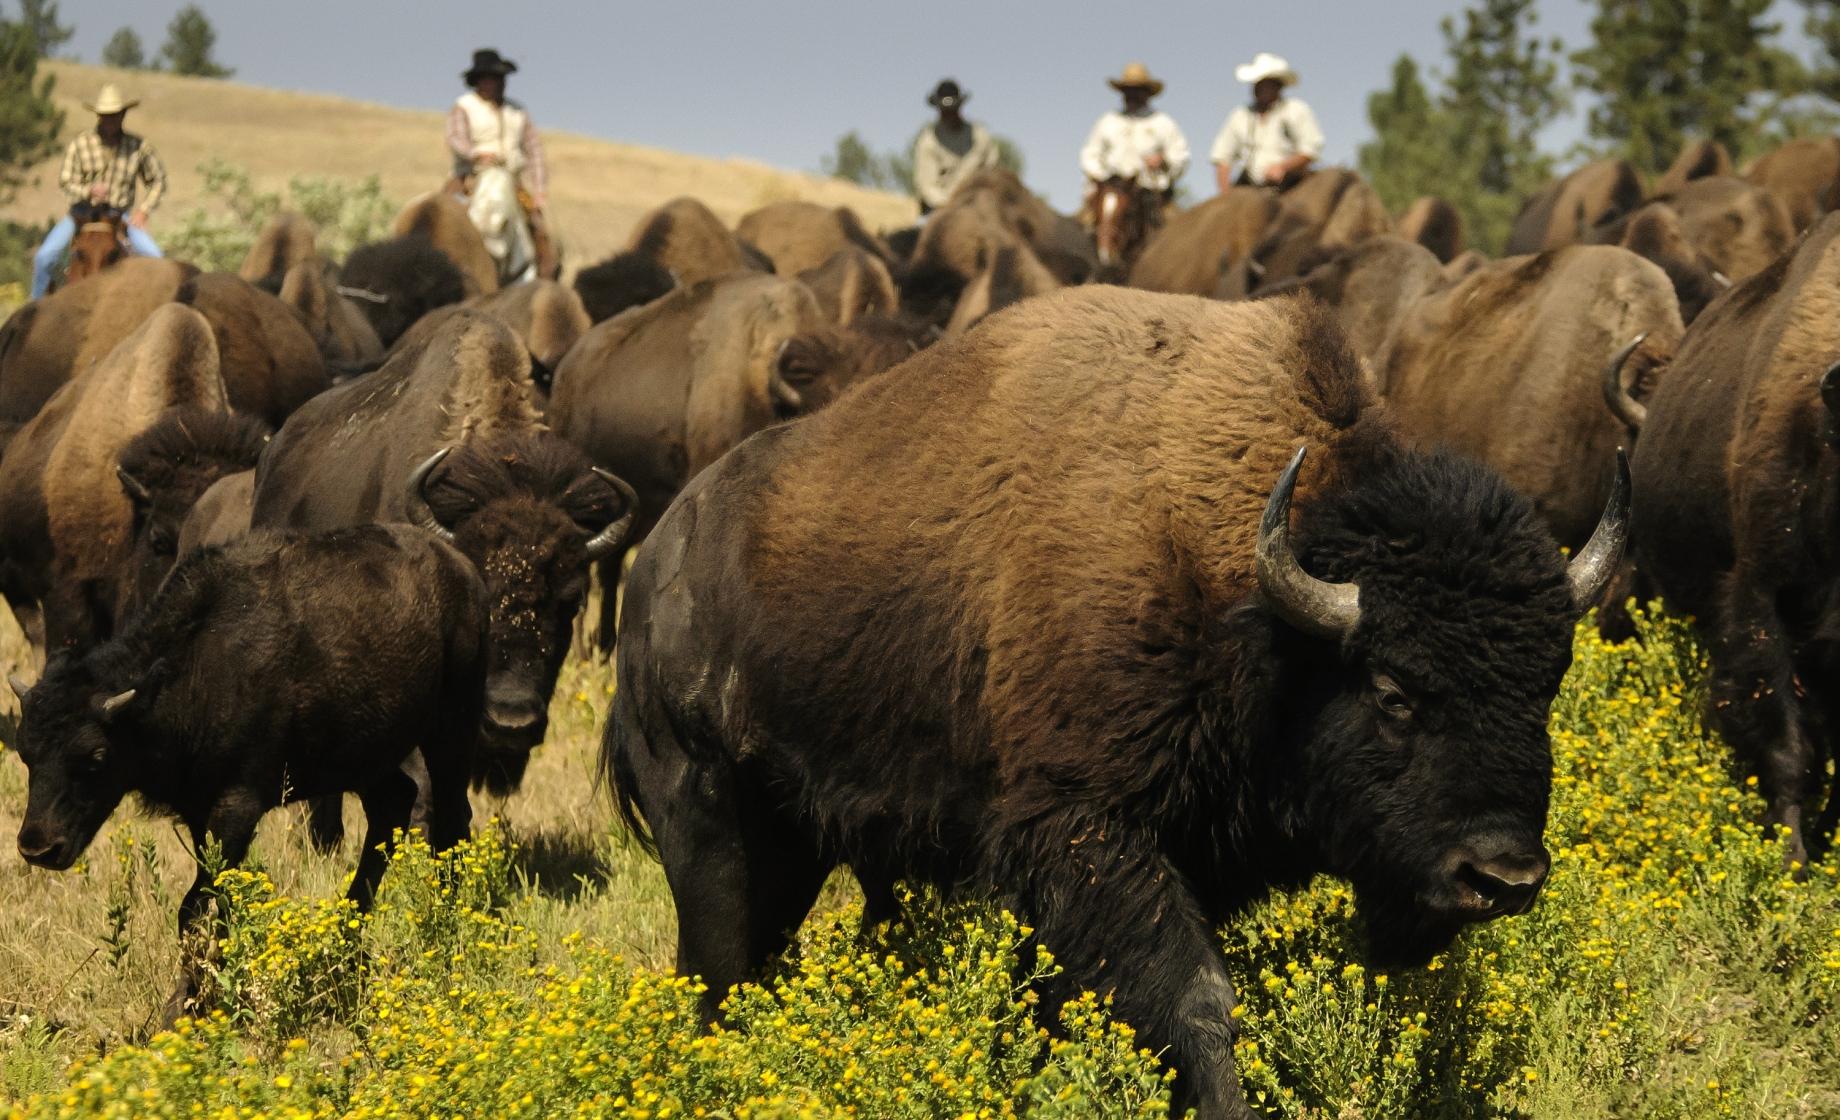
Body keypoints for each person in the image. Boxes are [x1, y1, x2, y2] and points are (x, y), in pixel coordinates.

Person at [32, 83, 166, 298]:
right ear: (98, 116)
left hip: (118, 216)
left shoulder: (138, 146)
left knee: (156, 257)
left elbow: (157, 180)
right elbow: (66, 181)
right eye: (105, 115)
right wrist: (88, 191)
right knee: (45, 257)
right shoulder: (81, 144)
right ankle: (34, 314)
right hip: (81, 215)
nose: (110, 120)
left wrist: (144, 210)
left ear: (123, 115)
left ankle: (150, 312)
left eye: (114, 115)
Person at [446, 48, 553, 279]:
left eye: (500, 78)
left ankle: (543, 278)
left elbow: (534, 151)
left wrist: (540, 190)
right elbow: (456, 139)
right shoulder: (463, 106)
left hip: (512, 181)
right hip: (471, 178)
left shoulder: (518, 112)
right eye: (490, 78)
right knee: (445, 221)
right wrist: (476, 154)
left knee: (546, 233)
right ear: (478, 81)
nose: (496, 83)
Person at [1210, 52, 1323, 193]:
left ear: (1278, 86)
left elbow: (1309, 150)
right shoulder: (1240, 116)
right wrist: (1225, 195)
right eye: (1258, 84)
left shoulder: (1296, 110)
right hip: (1250, 188)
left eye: (1267, 84)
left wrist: (1283, 167)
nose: (1261, 88)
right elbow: (1222, 158)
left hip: (1291, 187)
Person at [1078, 62, 1189, 207]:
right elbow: (1090, 155)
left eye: (1138, 90)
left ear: (1147, 93)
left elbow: (1180, 157)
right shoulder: (1108, 121)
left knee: (1179, 226)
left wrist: (1162, 161)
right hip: (1112, 190)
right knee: (1083, 224)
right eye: (1128, 90)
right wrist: (1102, 177)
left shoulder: (1163, 123)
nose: (1132, 95)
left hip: (1152, 195)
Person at [911, 79, 1000, 214]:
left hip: (979, 203)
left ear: (960, 107)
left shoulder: (980, 135)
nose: (949, 114)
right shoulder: (928, 142)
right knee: (919, 232)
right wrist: (953, 205)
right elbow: (928, 188)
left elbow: (993, 169)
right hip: (940, 208)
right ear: (938, 109)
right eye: (945, 110)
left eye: (953, 109)